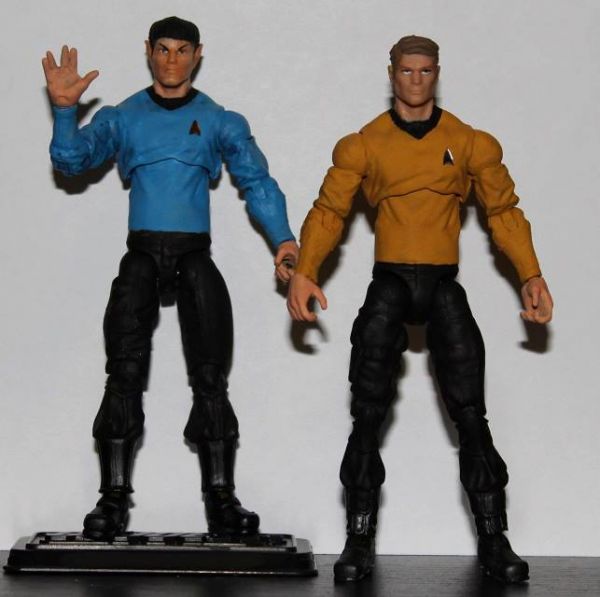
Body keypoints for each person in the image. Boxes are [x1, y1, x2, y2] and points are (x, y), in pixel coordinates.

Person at [287, 35, 552, 583]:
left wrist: (531, 274)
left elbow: (503, 211)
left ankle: (494, 538)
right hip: (389, 282)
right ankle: (359, 538)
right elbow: (330, 211)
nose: (415, 80)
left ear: (437, 73)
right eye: (407, 71)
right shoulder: (364, 144)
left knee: (471, 414)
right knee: (367, 414)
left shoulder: (469, 142)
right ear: (392, 73)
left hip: (442, 283)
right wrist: (306, 270)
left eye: (425, 71)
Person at [43, 16, 298, 541]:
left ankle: (221, 499)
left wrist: (284, 241)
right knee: (123, 372)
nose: (172, 60)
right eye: (163, 49)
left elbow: (257, 181)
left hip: (192, 253)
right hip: (141, 252)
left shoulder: (220, 120)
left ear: (197, 55)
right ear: (149, 51)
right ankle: (112, 499)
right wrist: (65, 112)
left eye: (182, 50)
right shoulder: (123, 117)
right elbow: (72, 161)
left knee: (211, 375)